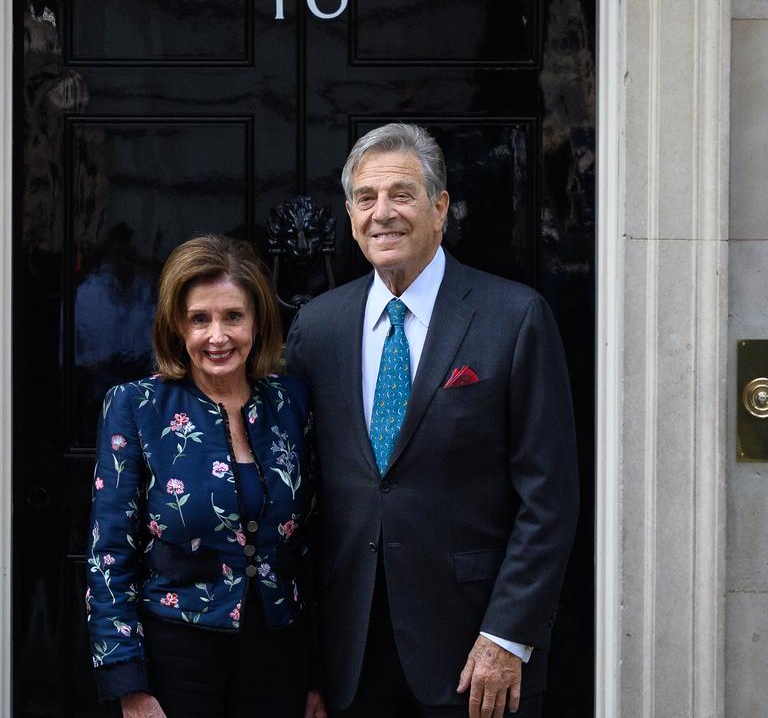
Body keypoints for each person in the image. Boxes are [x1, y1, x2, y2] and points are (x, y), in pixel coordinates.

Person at [286, 124, 579, 718]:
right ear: (349, 214)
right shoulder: (317, 327)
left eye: (402, 194)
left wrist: (506, 636)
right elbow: (304, 494)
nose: (382, 213)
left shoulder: (514, 317)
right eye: (366, 199)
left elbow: (549, 498)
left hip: (475, 656)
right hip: (351, 653)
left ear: (440, 207)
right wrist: (307, 656)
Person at [86, 235, 326, 718]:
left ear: (256, 322)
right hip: (176, 653)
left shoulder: (292, 403)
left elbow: (315, 546)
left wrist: (317, 674)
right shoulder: (137, 407)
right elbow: (110, 551)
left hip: (279, 652)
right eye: (200, 319)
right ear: (178, 326)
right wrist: (128, 683)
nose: (218, 336)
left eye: (233, 316)